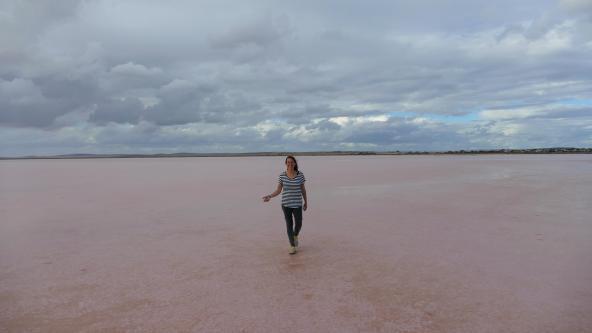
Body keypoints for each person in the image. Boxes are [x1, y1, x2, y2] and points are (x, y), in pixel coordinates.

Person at [262, 155, 308, 255]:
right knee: (289, 225)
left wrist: (306, 202)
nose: (290, 164)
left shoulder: (300, 175)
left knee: (299, 223)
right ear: (285, 164)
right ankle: (292, 246)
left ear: (295, 163)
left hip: (297, 204)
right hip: (286, 204)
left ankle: (295, 235)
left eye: (292, 162)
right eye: (288, 162)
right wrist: (270, 196)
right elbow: (278, 190)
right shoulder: (282, 175)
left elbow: (303, 190)